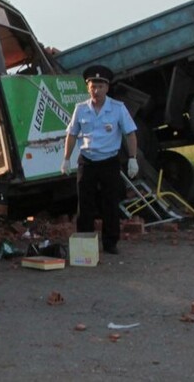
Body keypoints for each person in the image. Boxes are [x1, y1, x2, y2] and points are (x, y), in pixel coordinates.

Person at [62, 65, 138, 255]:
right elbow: (72, 135)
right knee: (85, 204)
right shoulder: (80, 109)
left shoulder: (118, 108)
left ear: (107, 88)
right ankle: (85, 244)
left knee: (110, 203)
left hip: (109, 161)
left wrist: (132, 158)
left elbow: (130, 134)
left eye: (100, 86)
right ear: (88, 88)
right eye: (93, 86)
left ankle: (110, 242)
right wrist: (66, 159)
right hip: (87, 161)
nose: (96, 91)